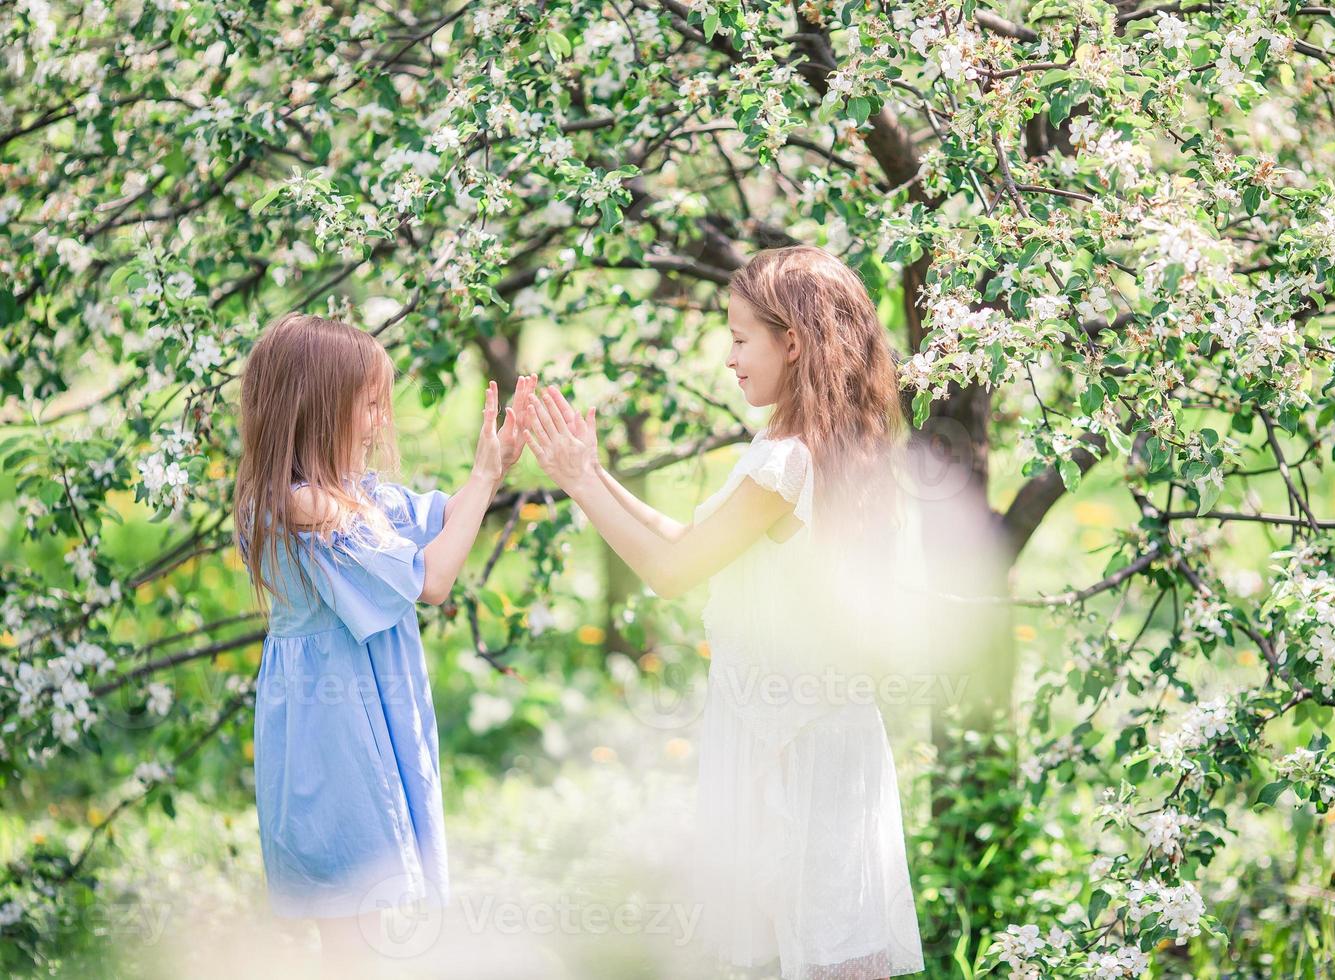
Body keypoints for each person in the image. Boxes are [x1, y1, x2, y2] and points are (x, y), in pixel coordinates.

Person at [523, 245, 925, 980]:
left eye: (741, 338)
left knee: (813, 943)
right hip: (798, 724)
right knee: (809, 942)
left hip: (791, 739)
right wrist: (589, 473)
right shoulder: (807, 448)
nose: (730, 358)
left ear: (793, 342)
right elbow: (692, 542)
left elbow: (673, 570)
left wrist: (580, 484)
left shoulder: (785, 463)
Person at [231, 310, 534, 970]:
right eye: (366, 406)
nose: (378, 422)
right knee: (352, 914)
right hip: (333, 731)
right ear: (317, 408)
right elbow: (430, 579)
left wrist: (492, 466)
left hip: (355, 717)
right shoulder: (305, 511)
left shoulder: (348, 496)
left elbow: (436, 524)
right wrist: (483, 480)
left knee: (365, 917)